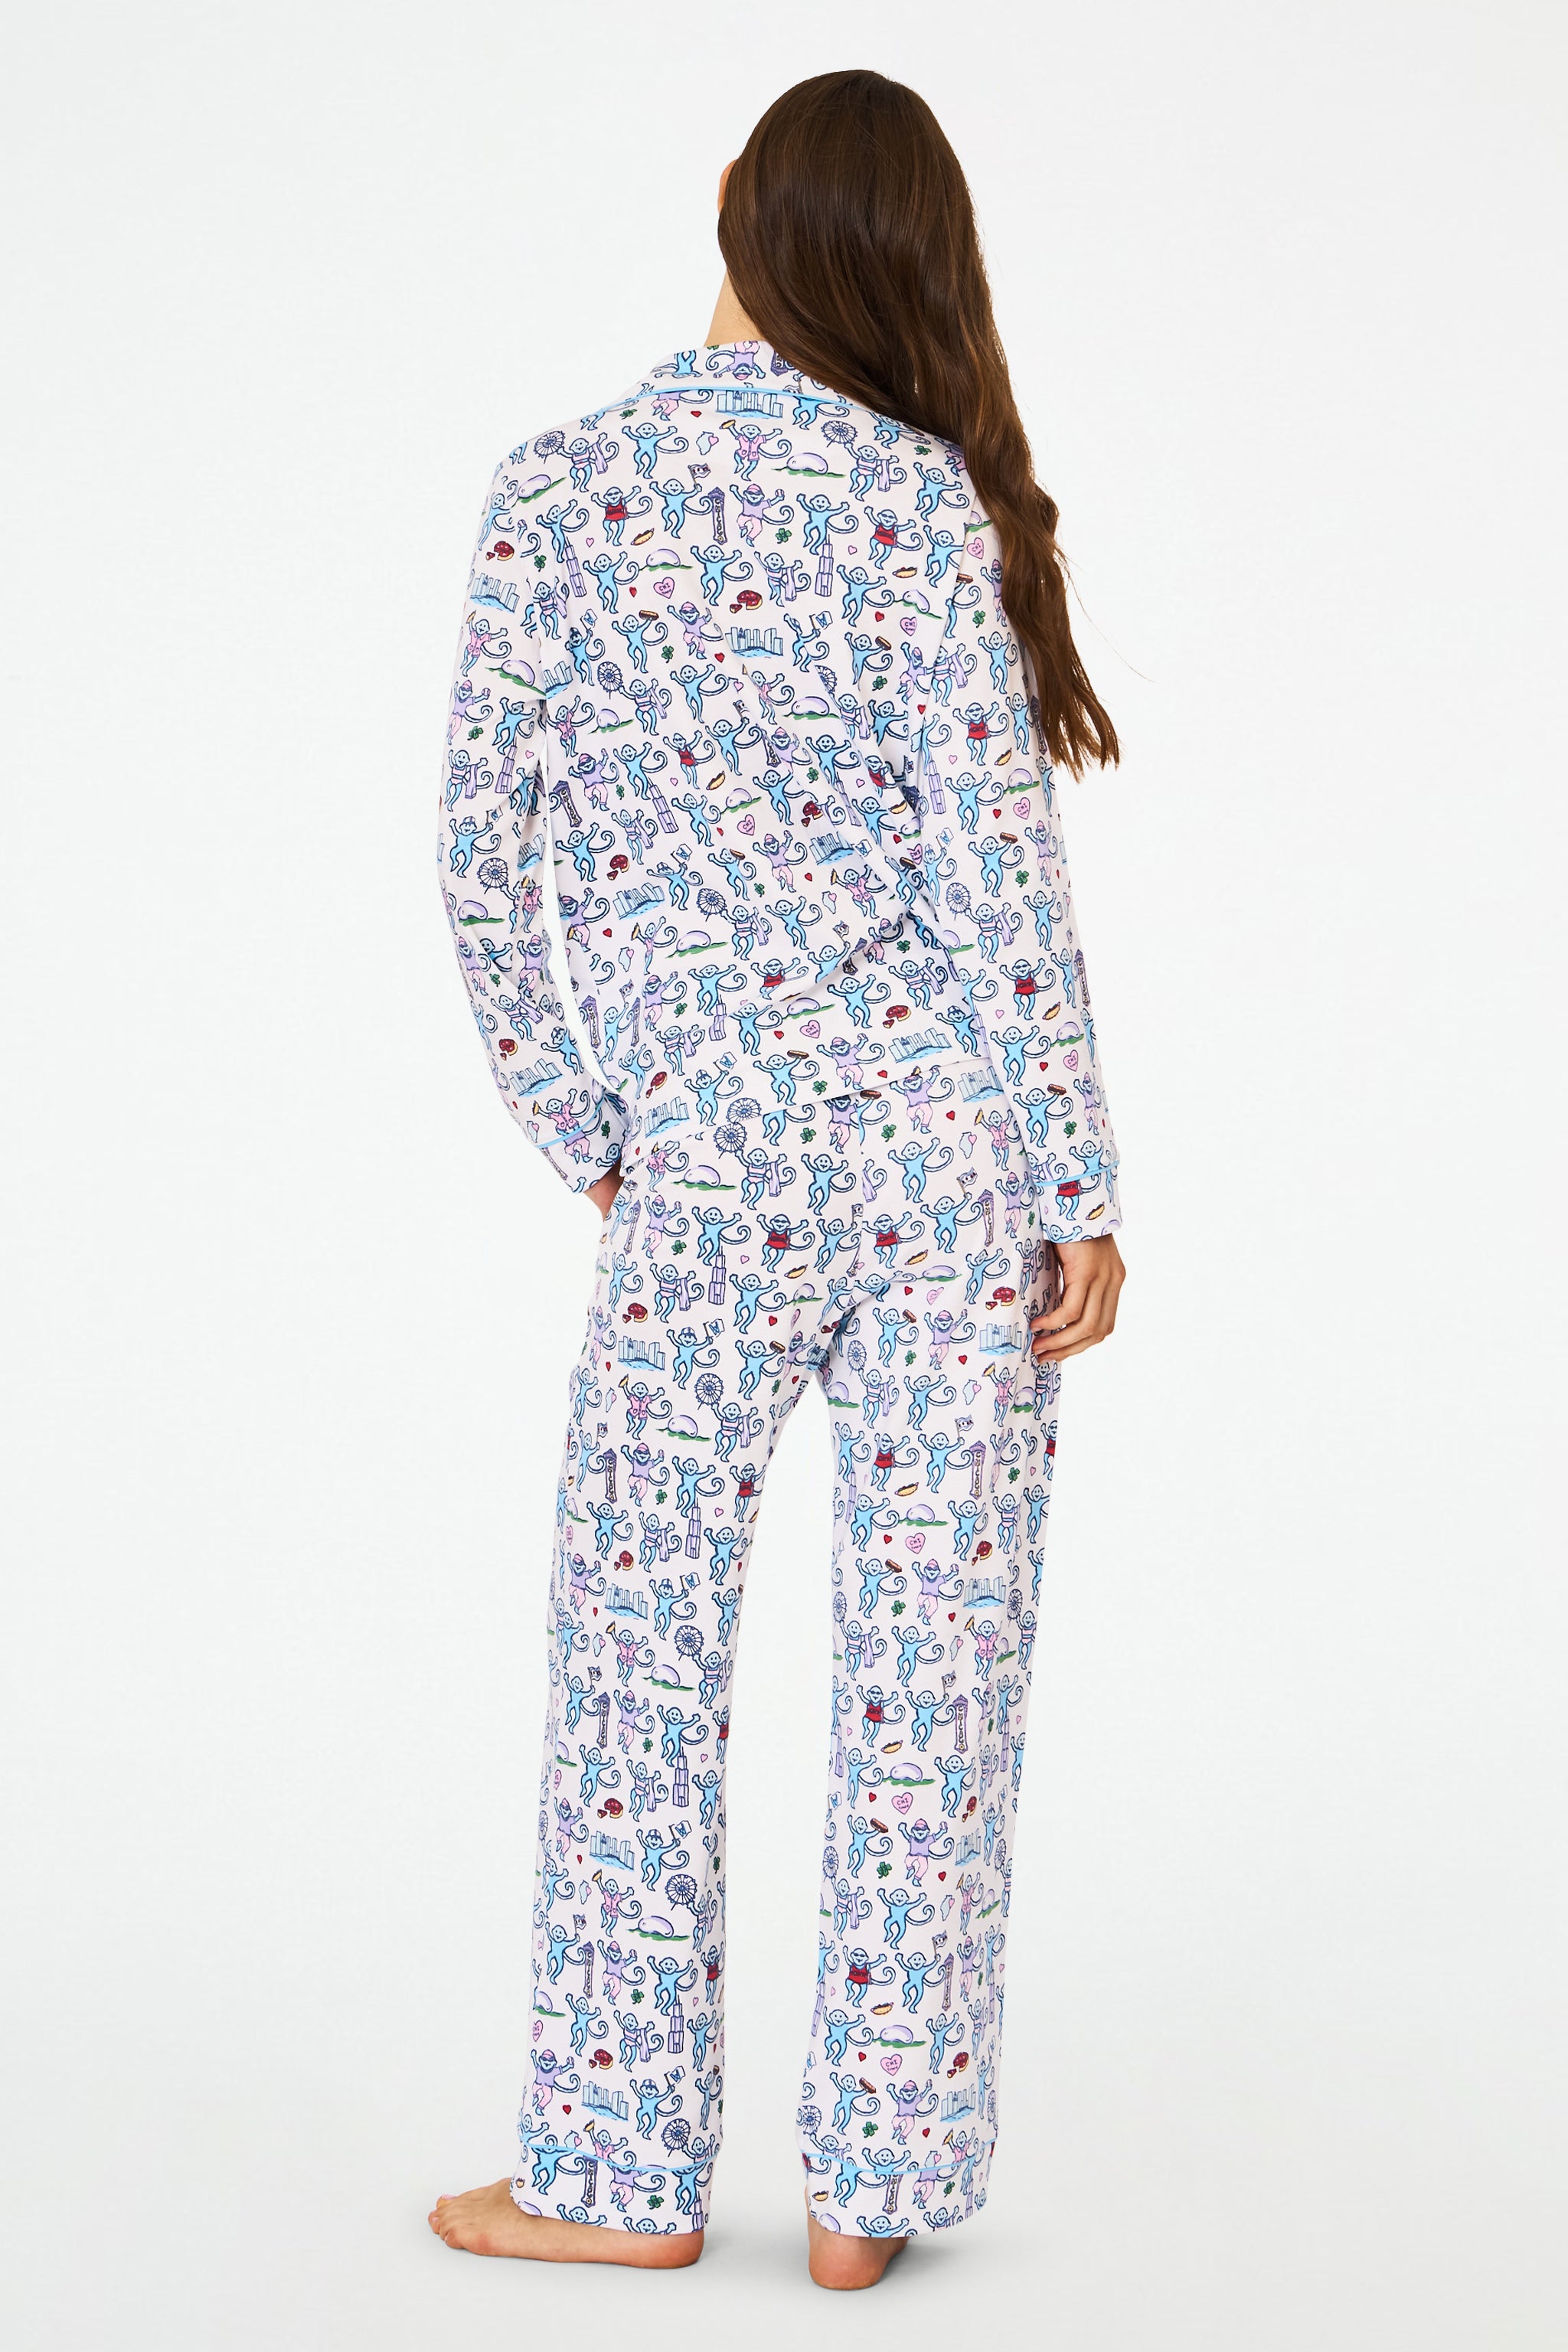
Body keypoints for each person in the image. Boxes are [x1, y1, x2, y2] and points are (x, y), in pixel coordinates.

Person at [428, 69, 1127, 2292]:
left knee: (636, 1659)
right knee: (939, 1677)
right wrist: (1078, 1183)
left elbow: (482, 870)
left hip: (706, 1177)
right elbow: (1003, 882)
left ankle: (616, 2179)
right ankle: (867, 2200)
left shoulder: (560, 492)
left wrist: (596, 1125)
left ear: (730, 202)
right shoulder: (926, 505)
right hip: (947, 1165)